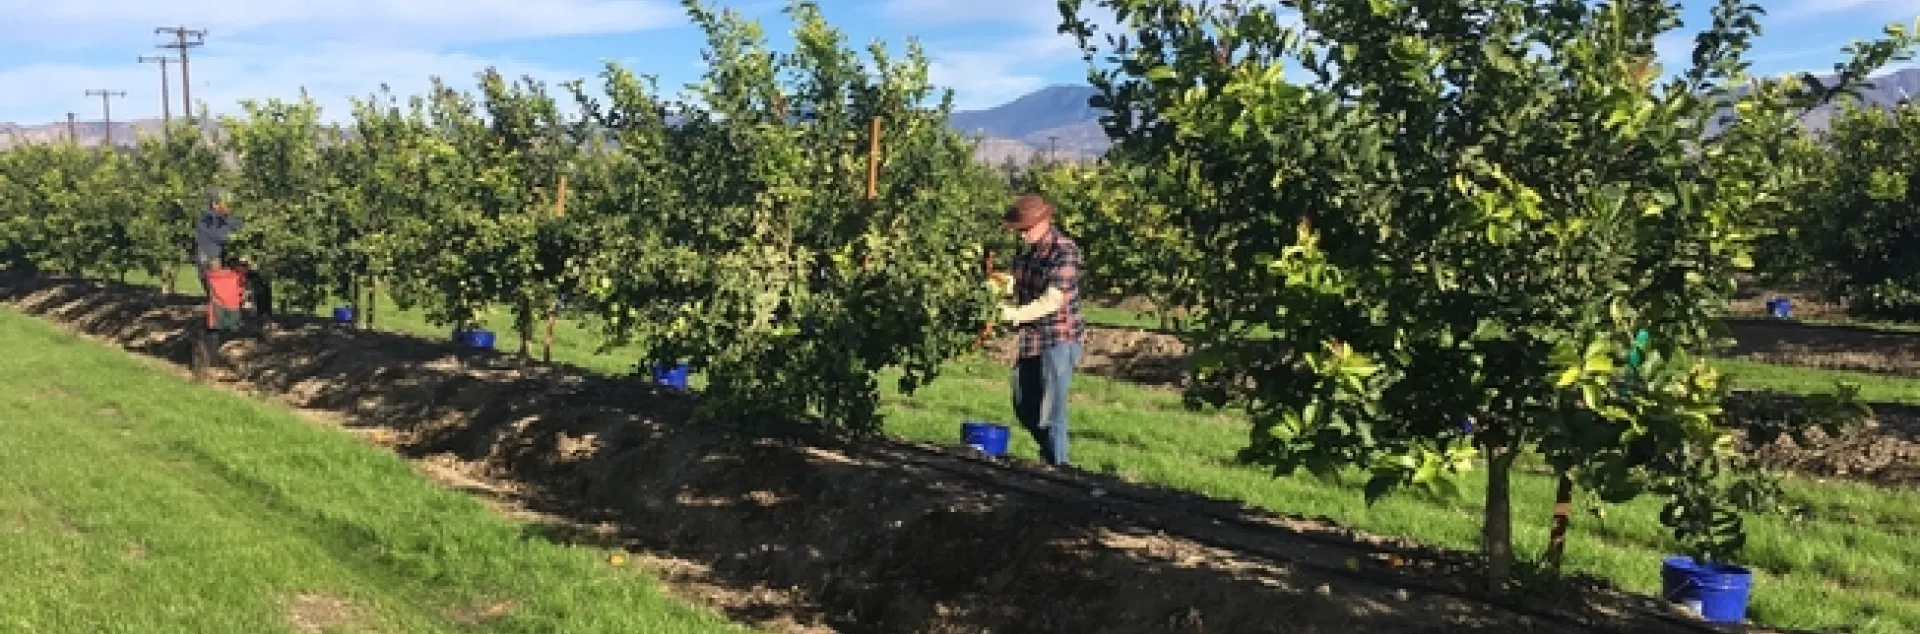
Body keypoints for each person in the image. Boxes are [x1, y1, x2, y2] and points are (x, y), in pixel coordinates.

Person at [997, 194, 1086, 467]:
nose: (1022, 235)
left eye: (1025, 228)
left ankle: (1059, 468)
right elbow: (1015, 281)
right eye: (1019, 230)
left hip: (1060, 338)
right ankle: (1051, 458)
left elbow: (1052, 300)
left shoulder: (1064, 251)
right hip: (1033, 339)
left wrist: (1014, 315)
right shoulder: (1028, 253)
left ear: (1044, 221)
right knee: (1024, 405)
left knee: (1051, 411)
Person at [193, 187, 242, 298]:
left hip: (221, 256)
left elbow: (240, 227)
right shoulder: (207, 219)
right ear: (215, 204)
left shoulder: (228, 218)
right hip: (209, 258)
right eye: (226, 203)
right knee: (214, 268)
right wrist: (233, 236)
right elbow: (219, 236)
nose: (229, 206)